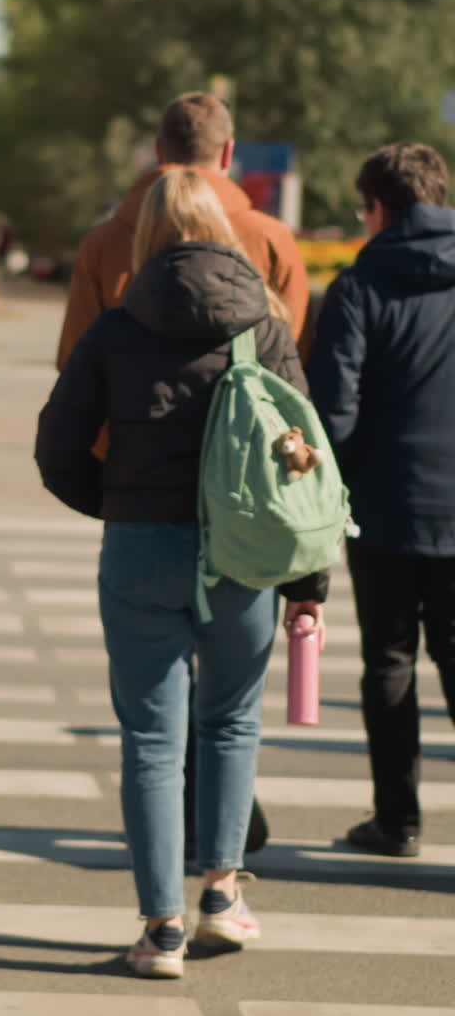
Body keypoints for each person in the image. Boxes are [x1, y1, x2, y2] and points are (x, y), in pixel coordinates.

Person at [36, 168, 327, 978]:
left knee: (151, 741)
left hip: (139, 547)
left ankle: (161, 929)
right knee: (232, 722)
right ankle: (223, 898)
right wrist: (310, 584)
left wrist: (114, 505)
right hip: (240, 552)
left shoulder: (115, 328)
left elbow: (56, 446)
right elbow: (304, 453)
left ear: (147, 235)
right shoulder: (261, 326)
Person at [57, 91, 303, 856]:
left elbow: (73, 371)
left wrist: (112, 490)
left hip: (136, 500)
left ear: (158, 155)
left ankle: (161, 907)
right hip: (243, 505)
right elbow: (292, 390)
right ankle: (223, 862)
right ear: (228, 155)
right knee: (233, 699)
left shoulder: (108, 243)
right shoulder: (268, 240)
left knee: (152, 710)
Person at [309, 142, 455, 858]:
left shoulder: (358, 288)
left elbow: (332, 411)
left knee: (390, 662)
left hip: (385, 506)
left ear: (377, 209)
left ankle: (397, 821)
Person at [57, 90, 310, 367]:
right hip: (239, 406)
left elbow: (75, 359)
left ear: (158, 149)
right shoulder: (271, 239)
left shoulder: (102, 243)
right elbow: (292, 350)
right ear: (228, 152)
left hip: (127, 407)